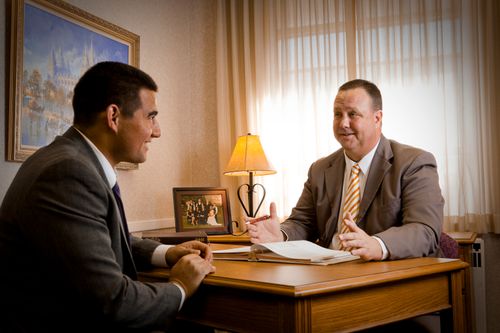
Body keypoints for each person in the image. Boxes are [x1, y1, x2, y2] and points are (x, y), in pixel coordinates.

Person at [0, 62, 215, 332]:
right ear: (113, 116)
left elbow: (98, 238)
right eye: (151, 116)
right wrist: (181, 286)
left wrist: (166, 253)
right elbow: (114, 303)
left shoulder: (67, 161)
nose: (157, 130)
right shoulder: (68, 174)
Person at [248, 79, 444, 261]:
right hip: (330, 274)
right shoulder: (320, 169)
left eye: (353, 114)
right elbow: (303, 223)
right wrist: (281, 235)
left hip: (388, 275)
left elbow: (424, 230)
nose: (343, 123)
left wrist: (377, 244)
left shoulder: (414, 163)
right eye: (337, 114)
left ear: (377, 118)